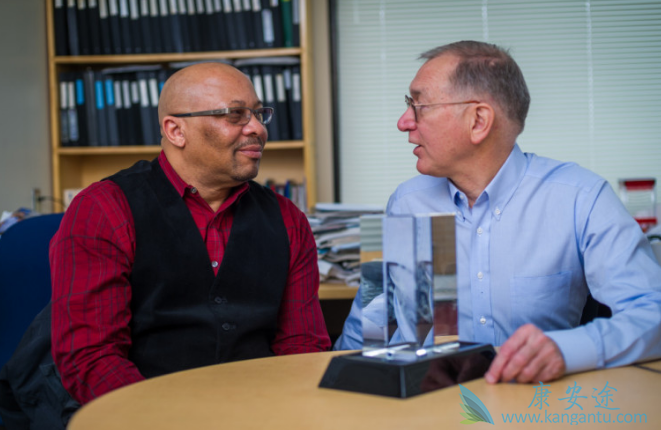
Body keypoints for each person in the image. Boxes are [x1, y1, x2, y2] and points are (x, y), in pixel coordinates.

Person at [0, 62, 330, 428]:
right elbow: (91, 358)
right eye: (235, 115)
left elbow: (302, 347)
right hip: (136, 415)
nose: (258, 128)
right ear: (176, 130)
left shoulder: (287, 219)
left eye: (258, 113)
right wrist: (168, 420)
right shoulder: (104, 209)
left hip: (257, 412)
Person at [334, 40, 661, 384]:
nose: (404, 122)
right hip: (427, 400)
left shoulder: (581, 198)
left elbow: (652, 313)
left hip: (534, 403)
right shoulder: (405, 203)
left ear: (478, 121)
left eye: (420, 106)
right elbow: (369, 329)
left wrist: (565, 350)